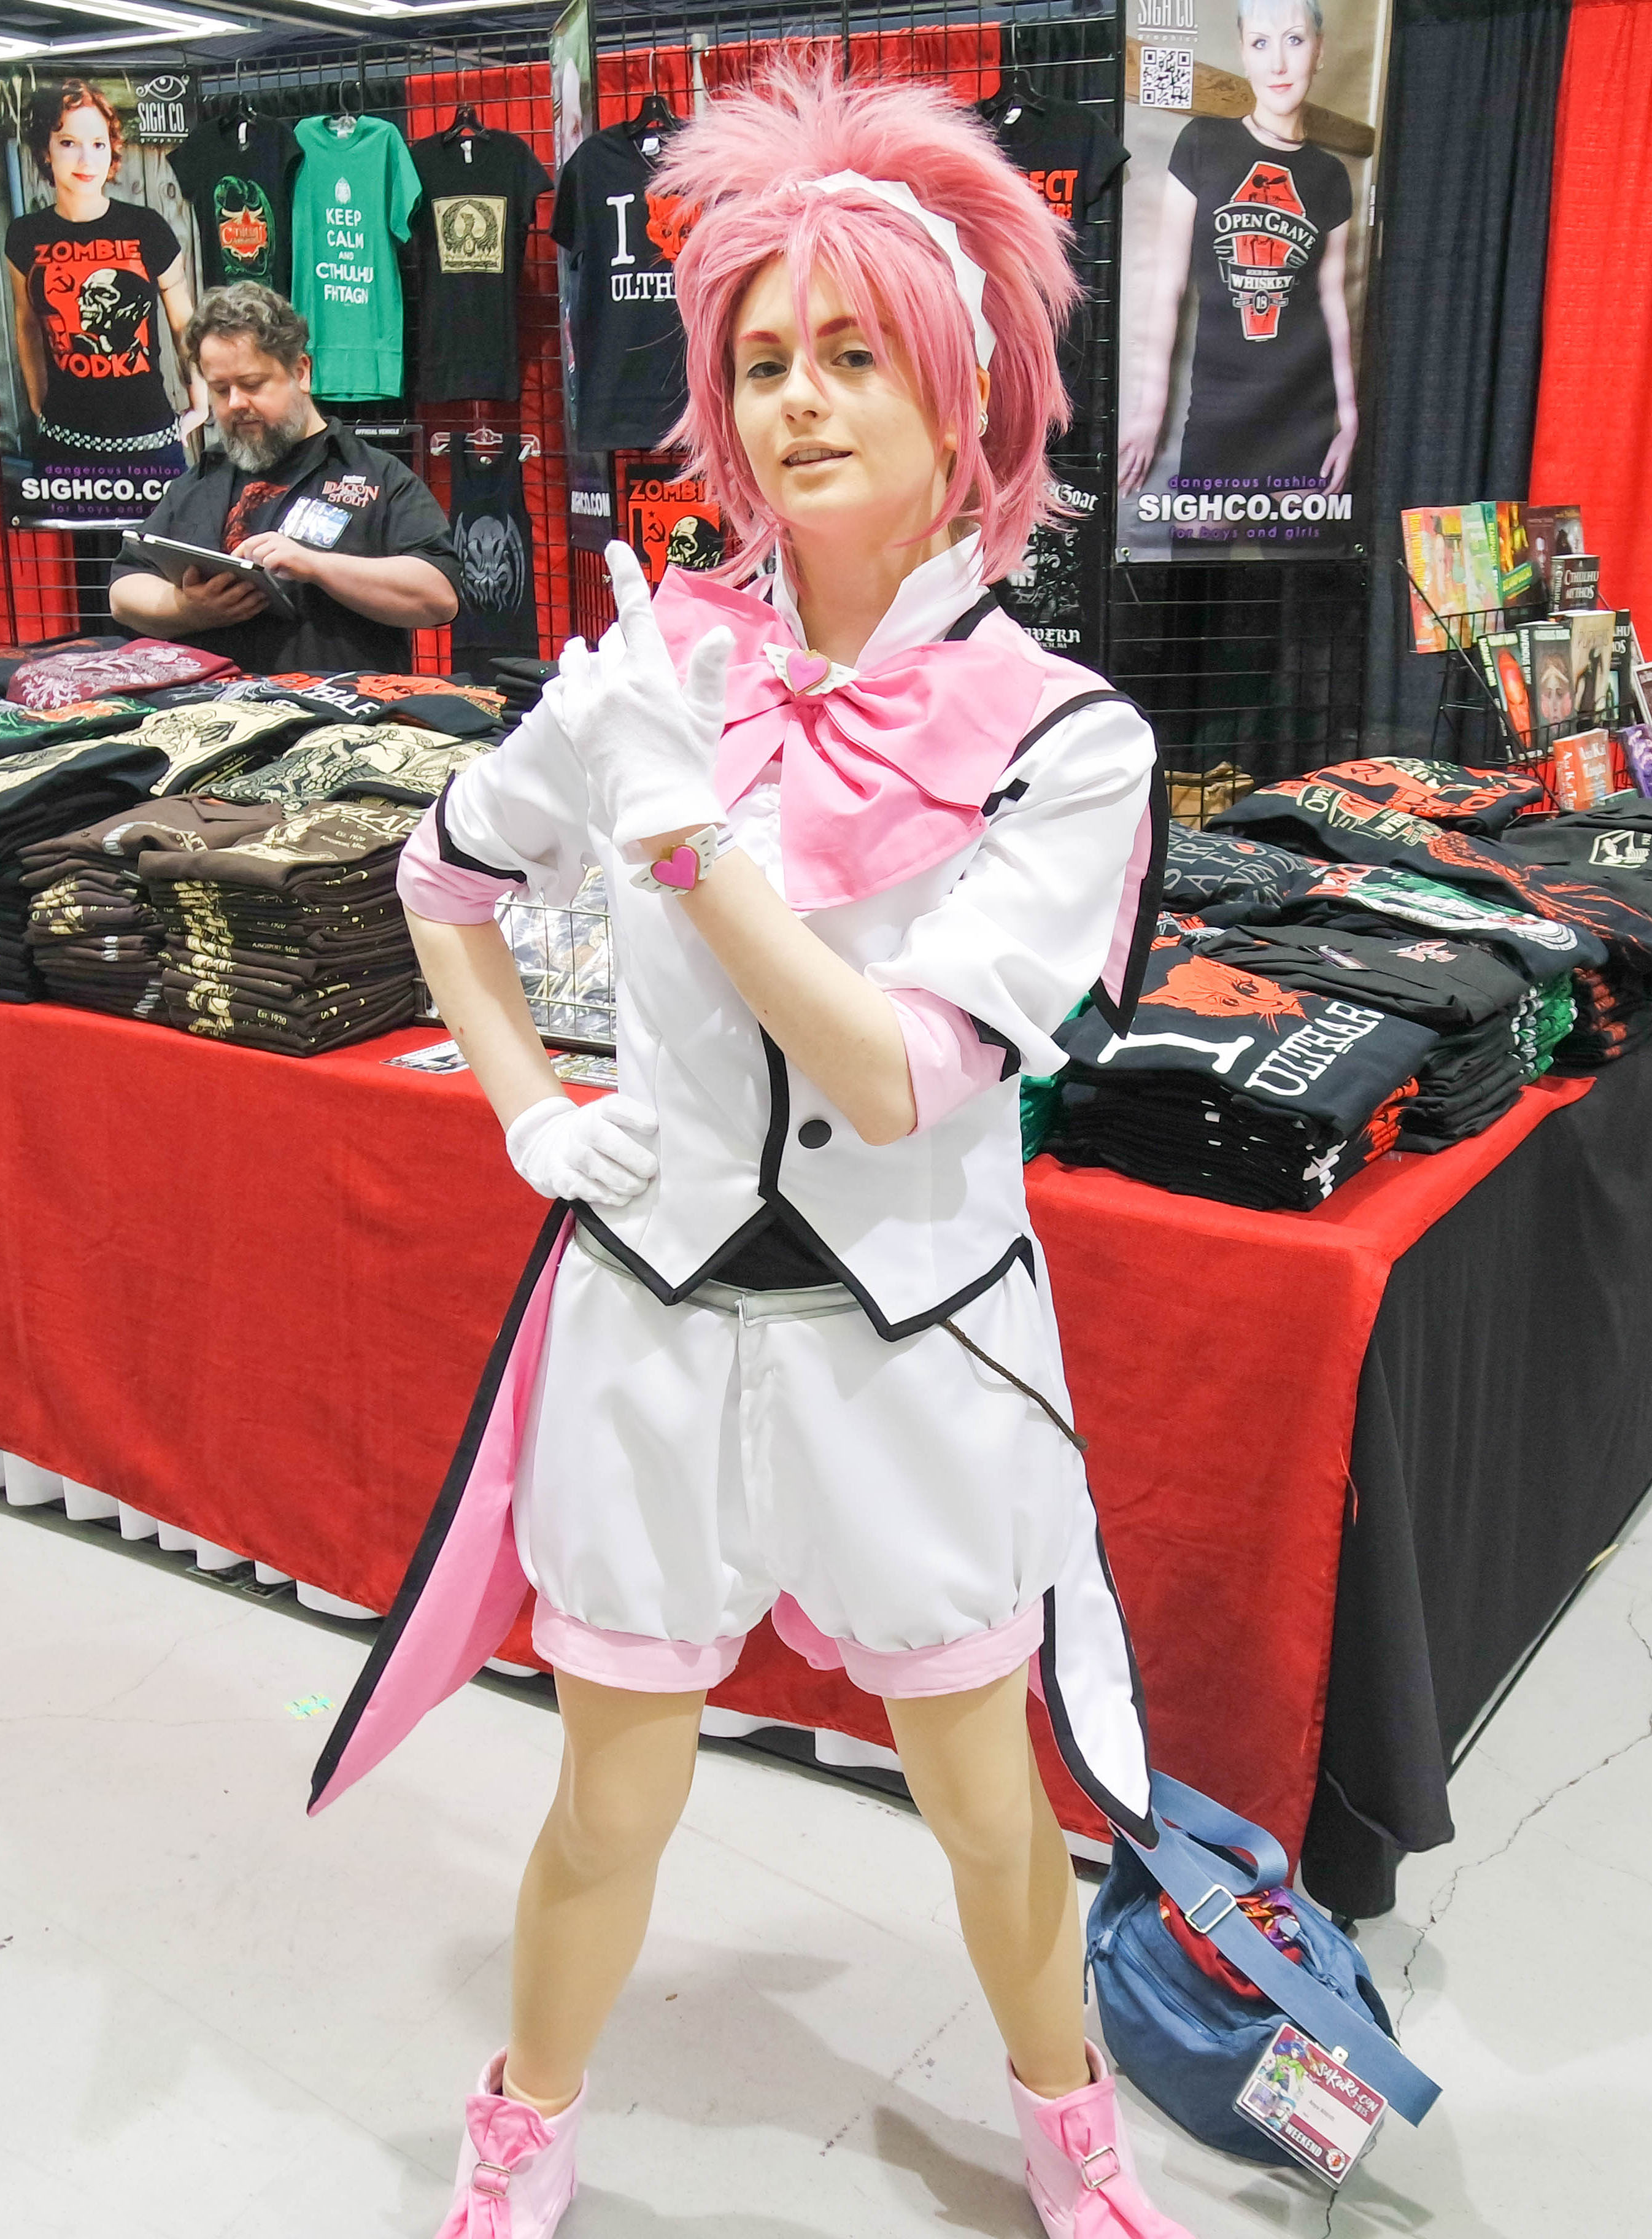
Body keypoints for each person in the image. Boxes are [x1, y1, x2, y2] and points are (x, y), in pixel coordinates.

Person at [308, 63, 1200, 2239]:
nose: (801, 402)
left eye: (855, 355)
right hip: (656, 1326)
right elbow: (441, 881)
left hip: (920, 1345)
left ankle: (1071, 2137)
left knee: (983, 1802)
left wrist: (685, 837)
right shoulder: (652, 669)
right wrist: (530, 1105)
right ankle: (522, 2126)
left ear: (966, 393)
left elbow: (899, 1076)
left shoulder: (1065, 738)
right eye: (766, 359)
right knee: (612, 1796)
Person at [107, 282, 460, 672]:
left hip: (333, 707)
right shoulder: (201, 481)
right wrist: (189, 609)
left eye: (252, 384)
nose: (236, 403)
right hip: (211, 706)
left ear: (301, 372)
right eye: (220, 390)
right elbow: (123, 592)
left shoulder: (375, 475)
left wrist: (317, 566)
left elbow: (438, 597)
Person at [1117, 0, 1359, 507]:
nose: (1278, 63)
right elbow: (1168, 285)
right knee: (1196, 546)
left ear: (1318, 53)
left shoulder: (1330, 176)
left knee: (1293, 551)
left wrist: (1349, 416)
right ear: (1243, 54)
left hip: (1304, 406)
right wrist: (1149, 411)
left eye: (1295, 40)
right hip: (1218, 403)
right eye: (1260, 43)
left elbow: (1334, 303)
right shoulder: (1202, 142)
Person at [5, 80, 203, 507]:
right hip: (65, 442)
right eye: (68, 143)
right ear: (45, 150)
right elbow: (27, 324)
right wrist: (39, 403)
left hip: (149, 438)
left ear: (112, 149)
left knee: (165, 543)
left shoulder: (146, 228)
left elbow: (184, 322)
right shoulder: (26, 235)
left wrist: (201, 402)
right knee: (79, 548)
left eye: (97, 144)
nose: (85, 159)